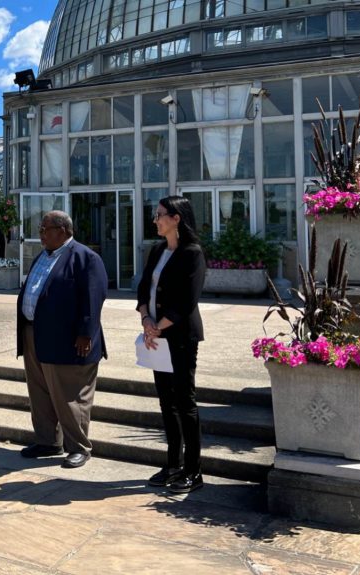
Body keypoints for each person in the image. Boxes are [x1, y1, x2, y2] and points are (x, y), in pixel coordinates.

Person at [16, 210, 107, 469]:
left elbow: (93, 299)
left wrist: (86, 333)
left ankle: (78, 447)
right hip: (35, 334)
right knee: (40, 393)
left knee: (70, 396)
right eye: (40, 228)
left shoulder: (85, 258)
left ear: (63, 230)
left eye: (45, 229)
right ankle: (47, 441)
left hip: (69, 340)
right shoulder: (41, 258)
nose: (40, 234)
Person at [137, 195, 207, 494]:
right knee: (166, 401)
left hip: (179, 338)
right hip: (156, 337)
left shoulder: (193, 254)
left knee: (184, 401)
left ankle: (193, 470)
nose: (155, 220)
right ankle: (172, 464)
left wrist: (158, 327)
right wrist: (145, 320)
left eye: (160, 215)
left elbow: (187, 301)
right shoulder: (157, 250)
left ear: (176, 218)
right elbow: (143, 288)